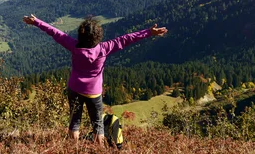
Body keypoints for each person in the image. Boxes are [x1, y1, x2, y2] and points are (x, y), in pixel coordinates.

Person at [23, 14, 167, 145]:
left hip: (74, 88)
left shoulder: (73, 46)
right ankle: (99, 153)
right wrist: (149, 32)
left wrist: (37, 22)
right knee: (97, 124)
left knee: (75, 122)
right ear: (98, 36)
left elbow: (55, 33)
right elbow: (127, 39)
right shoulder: (105, 48)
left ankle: (74, 150)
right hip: (93, 92)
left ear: (80, 35)